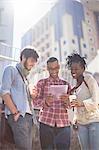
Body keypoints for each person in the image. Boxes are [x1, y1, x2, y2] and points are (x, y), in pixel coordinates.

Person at [0, 47, 39, 150]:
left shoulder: (26, 78)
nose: (33, 64)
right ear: (23, 58)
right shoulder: (11, 69)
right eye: (31, 60)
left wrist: (32, 95)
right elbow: (4, 92)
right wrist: (15, 112)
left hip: (29, 117)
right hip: (19, 116)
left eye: (34, 62)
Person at [32, 57, 71, 150]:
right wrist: (45, 102)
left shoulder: (66, 84)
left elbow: (71, 105)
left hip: (64, 124)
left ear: (59, 67)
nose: (53, 71)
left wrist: (67, 102)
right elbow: (35, 102)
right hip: (46, 123)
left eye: (55, 68)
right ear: (47, 69)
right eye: (51, 68)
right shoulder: (41, 83)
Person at [66, 53, 99, 150]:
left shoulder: (89, 79)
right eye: (71, 69)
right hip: (81, 124)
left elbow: (96, 100)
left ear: (83, 69)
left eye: (76, 69)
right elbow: (74, 108)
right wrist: (74, 119)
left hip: (94, 121)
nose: (73, 72)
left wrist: (80, 103)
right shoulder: (73, 88)